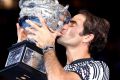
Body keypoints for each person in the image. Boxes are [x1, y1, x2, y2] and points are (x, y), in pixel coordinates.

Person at [17, 10, 110, 80]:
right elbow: (20, 76)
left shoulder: (98, 68)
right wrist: (24, 46)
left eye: (72, 24)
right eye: (66, 23)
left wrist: (48, 45)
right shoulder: (54, 68)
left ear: (87, 37)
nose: (64, 26)